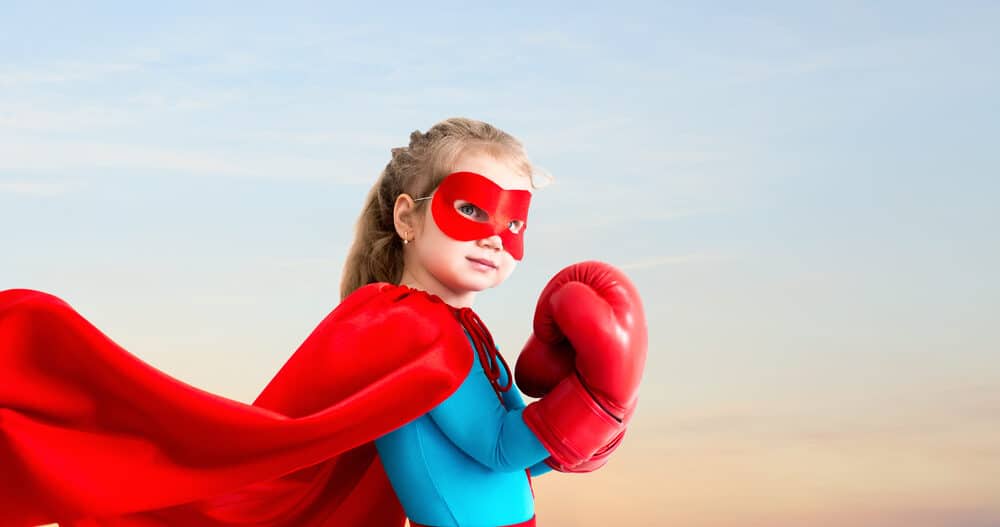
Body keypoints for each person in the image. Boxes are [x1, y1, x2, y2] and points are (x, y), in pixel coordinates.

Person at [0, 117, 646, 527]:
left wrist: (582, 415)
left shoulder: (454, 331)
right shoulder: (411, 330)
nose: (496, 238)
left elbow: (514, 464)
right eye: (472, 210)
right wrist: (598, 401)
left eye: (514, 223)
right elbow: (499, 446)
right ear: (406, 216)